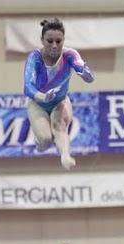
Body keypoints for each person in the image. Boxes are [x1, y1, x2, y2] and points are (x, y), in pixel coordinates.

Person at [24, 18, 94, 170]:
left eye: (58, 41)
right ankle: (40, 143)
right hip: (37, 103)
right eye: (49, 41)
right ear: (42, 40)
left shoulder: (70, 55)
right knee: (45, 139)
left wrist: (84, 72)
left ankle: (65, 155)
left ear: (63, 40)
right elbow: (27, 87)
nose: (54, 45)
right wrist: (43, 96)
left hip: (60, 101)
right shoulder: (35, 58)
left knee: (59, 126)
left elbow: (83, 70)